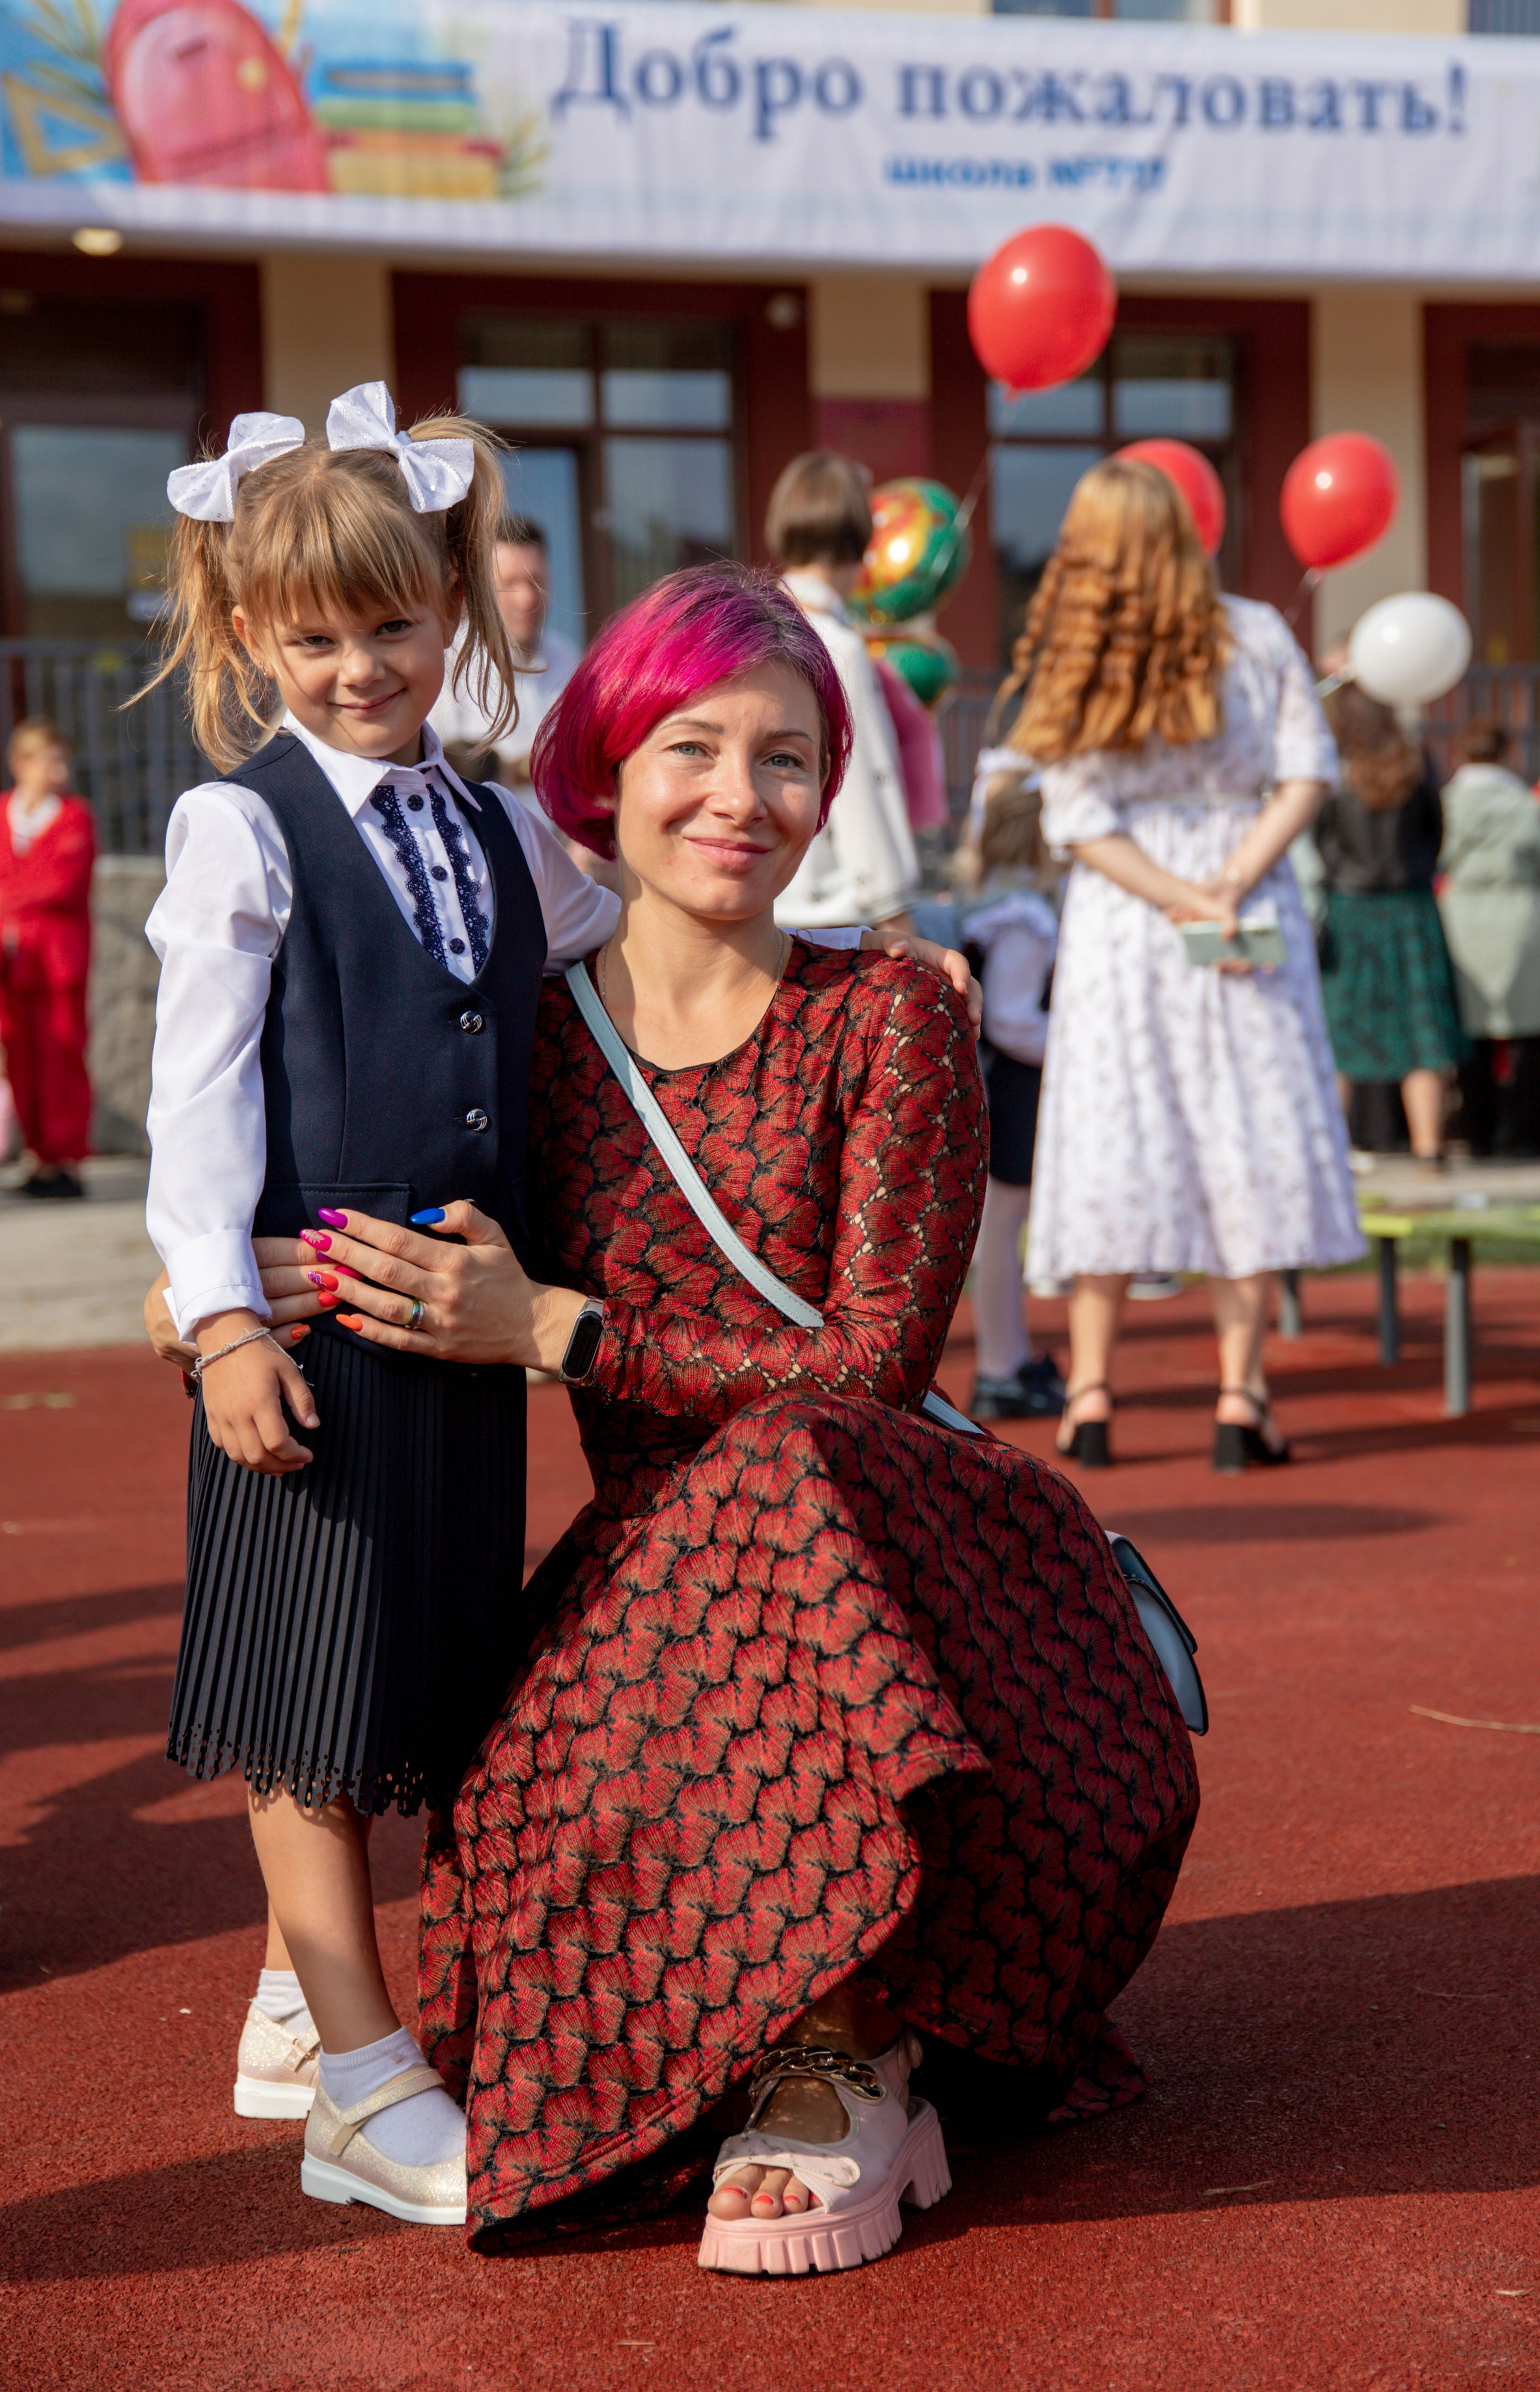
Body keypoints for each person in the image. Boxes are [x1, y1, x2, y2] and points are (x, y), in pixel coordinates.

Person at [284, 564, 1198, 2265]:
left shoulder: (895, 1014)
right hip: (663, 1585)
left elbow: (866, 1368)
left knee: (783, 1462)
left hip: (913, 1558)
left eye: (787, 760)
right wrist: (204, 1290)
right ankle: (821, 2035)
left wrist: (553, 1326)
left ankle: (849, 2054)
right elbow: (367, 1221)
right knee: (520, 1926)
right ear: (604, 769)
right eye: (692, 747)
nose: (740, 798)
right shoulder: (526, 1043)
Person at [141, 396, 978, 2230]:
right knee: (321, 1680)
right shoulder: (302, 859)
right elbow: (207, 1091)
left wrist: (894, 964)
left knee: (425, 1667)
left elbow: (653, 914)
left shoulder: (545, 855)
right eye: (316, 636)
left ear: (458, 618)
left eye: (394, 627)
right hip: (347, 1357)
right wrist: (206, 1297)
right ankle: (352, 2052)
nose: (361, 668)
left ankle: (338, 1999)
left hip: (612, 1420)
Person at [1010, 459, 1362, 1474]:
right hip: (1247, 906)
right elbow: (1307, 773)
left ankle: (1088, 1395)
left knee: (1115, 1133)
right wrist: (1231, 883)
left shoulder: (1083, 653)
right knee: (1244, 1129)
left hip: (1127, 925)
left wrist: (1172, 897)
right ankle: (1241, 1397)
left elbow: (1078, 823)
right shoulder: (1257, 631)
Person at [767, 451, 920, 935]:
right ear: (860, 535)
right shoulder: (839, 644)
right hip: (832, 916)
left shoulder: (750, 625)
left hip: (763, 901)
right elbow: (863, 785)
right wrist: (895, 915)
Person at [956, 753, 1066, 1422]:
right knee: (1000, 1228)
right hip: (1014, 1082)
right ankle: (1002, 1364)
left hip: (1002, 1079)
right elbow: (1011, 1017)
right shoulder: (1023, 912)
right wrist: (1078, 1045)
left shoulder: (995, 898)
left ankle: (1008, 1358)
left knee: (999, 1229)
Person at [1314, 687, 1466, 1168]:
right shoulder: (1416, 762)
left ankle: (1332, 1152)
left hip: (1350, 909)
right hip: (1411, 909)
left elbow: (1321, 837)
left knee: (1342, 1033)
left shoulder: (1331, 766)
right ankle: (1429, 1149)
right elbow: (1437, 830)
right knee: (1422, 1033)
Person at [1437, 721, 1540, 1158]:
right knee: (1530, 1036)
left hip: (1462, 917)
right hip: (1519, 914)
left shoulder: (1446, 802)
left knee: (1472, 1037)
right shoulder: (1523, 803)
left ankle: (1478, 1134)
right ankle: (1530, 1134)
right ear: (1506, 753)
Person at [0, 717, 97, 1198]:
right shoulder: (4, 813)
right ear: (21, 764)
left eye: (63, 760)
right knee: (22, 1058)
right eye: (49, 760)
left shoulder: (75, 816)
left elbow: (59, 884)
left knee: (62, 1055)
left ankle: (67, 1158)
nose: (59, 770)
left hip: (58, 960)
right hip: (12, 963)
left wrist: (6, 900)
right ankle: (39, 1157)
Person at [427, 511, 579, 808]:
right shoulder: (447, 663)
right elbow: (433, 770)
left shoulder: (569, 660)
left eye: (536, 581)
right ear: (480, 587)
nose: (527, 598)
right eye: (510, 583)